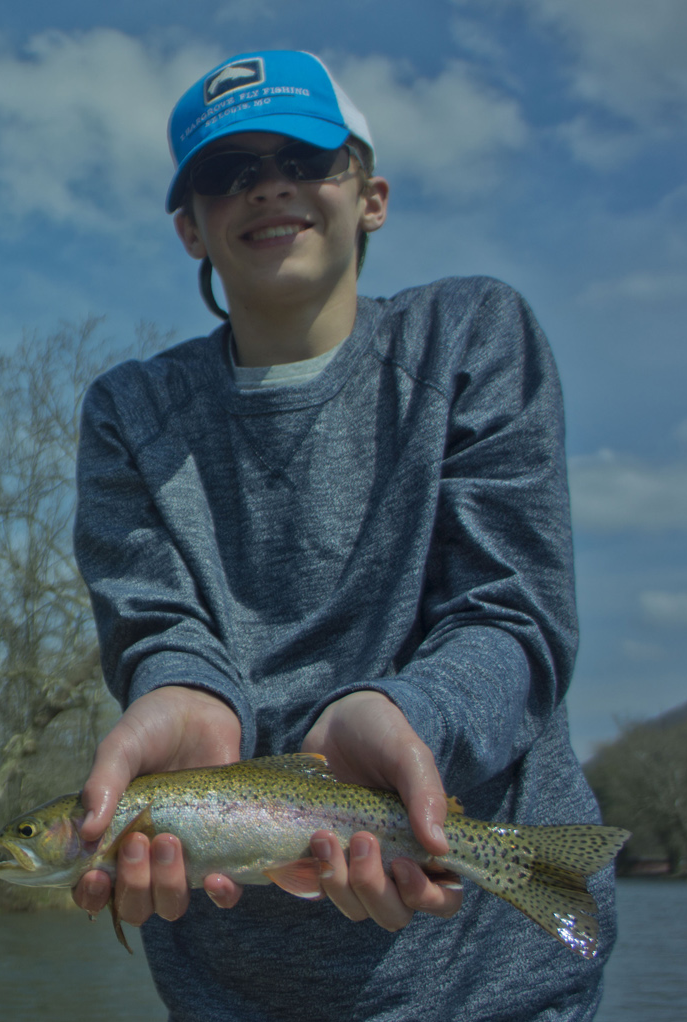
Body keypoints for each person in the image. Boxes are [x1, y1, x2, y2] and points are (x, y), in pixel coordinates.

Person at [70, 50, 613, 1020]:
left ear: (371, 196)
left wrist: (414, 717)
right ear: (190, 226)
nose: (269, 184)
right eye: (227, 172)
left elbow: (512, 611)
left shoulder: (474, 337)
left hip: (493, 975)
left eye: (306, 157)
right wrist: (177, 693)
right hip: (231, 982)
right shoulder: (129, 412)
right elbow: (161, 629)